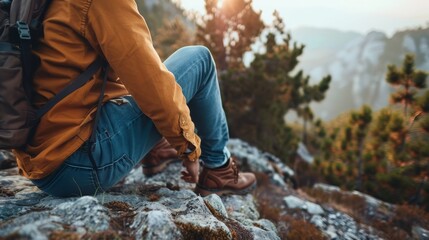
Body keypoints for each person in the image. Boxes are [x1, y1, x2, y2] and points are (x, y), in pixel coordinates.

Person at [13, 0, 256, 197]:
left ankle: (155, 150)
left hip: (40, 159)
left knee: (142, 76)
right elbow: (151, 85)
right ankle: (219, 168)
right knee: (199, 59)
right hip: (78, 164)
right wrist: (188, 146)